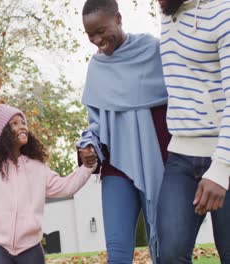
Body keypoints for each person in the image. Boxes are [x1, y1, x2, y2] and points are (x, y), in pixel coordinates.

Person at [0, 85, 96, 264]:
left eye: (23, 123)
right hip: (0, 248)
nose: (22, 126)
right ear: (2, 133)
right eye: (14, 124)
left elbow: (66, 187)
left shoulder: (38, 168)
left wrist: (86, 167)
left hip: (31, 249)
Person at [77, 0, 170, 263]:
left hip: (159, 164)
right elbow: (95, 124)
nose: (96, 40)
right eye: (90, 34)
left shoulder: (153, 50)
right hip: (117, 166)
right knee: (117, 253)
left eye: (101, 30)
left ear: (118, 18)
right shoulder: (97, 68)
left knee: (167, 250)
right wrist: (88, 148)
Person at [156, 0, 230, 263]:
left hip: (224, 154)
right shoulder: (167, 13)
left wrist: (222, 169)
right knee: (170, 255)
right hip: (181, 157)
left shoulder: (224, 14)